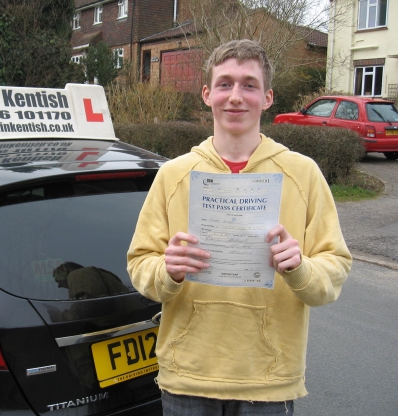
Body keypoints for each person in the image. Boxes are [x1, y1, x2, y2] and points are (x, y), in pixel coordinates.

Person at [127, 39, 352, 416]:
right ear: (207, 94)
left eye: (249, 85)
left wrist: (301, 268)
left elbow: (336, 268)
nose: (235, 96)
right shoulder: (173, 175)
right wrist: (168, 271)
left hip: (268, 380)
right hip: (187, 376)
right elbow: (139, 266)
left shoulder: (303, 174)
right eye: (225, 84)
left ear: (267, 98)